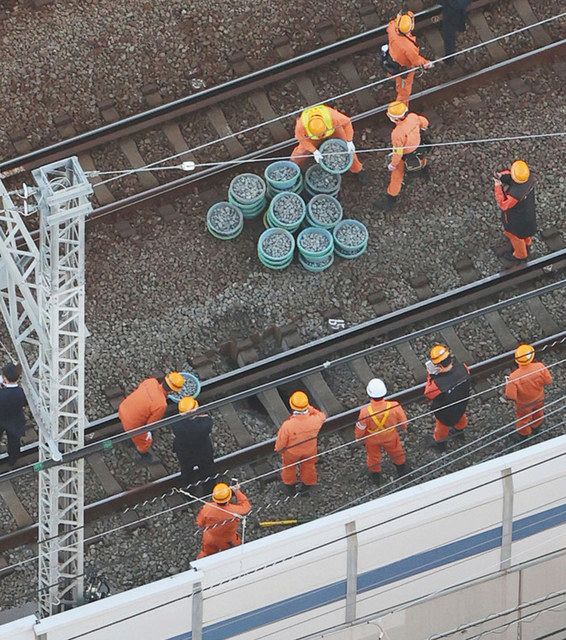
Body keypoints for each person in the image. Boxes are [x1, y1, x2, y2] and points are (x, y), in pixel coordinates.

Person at [118, 371, 185, 461]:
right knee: (146, 441)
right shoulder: (161, 404)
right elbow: (150, 425)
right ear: (173, 390)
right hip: (132, 425)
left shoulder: (151, 382)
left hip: (123, 408)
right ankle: (142, 453)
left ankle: (130, 436)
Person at [291, 104, 367, 183]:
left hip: (333, 128)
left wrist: (349, 141)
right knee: (301, 151)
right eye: (319, 136)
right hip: (312, 136)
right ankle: (292, 166)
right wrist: (314, 151)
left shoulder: (333, 117)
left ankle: (357, 169)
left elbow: (347, 123)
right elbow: (302, 140)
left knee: (348, 149)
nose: (321, 137)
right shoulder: (301, 126)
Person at [375, 101, 429, 211]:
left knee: (396, 178)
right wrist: (423, 127)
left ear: (395, 118)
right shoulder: (413, 117)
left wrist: (393, 164)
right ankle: (424, 171)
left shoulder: (397, 133)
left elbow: (398, 153)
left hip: (406, 156)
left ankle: (390, 200)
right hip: (419, 148)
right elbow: (424, 122)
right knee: (421, 160)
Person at [355, 378, 409, 485]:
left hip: (372, 439)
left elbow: (360, 428)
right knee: (397, 452)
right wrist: (404, 428)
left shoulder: (365, 411)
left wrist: (358, 438)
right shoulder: (394, 406)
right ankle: (401, 471)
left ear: (369, 394)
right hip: (390, 435)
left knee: (373, 457)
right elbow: (403, 422)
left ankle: (376, 478)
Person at [275, 391, 326, 495]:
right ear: (306, 405)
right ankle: (308, 485)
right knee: (308, 465)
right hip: (310, 450)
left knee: (289, 467)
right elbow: (322, 415)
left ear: (292, 406)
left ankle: (289, 487)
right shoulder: (316, 420)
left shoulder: (288, 425)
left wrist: (279, 450)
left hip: (292, 452)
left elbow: (281, 443)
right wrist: (309, 408)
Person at [424, 345, 471, 451]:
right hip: (461, 405)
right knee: (460, 418)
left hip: (445, 413)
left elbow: (428, 394)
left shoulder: (437, 384)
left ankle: (440, 445)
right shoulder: (464, 368)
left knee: (441, 428)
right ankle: (460, 434)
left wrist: (431, 376)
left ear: (439, 367)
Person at [504, 344, 552, 441]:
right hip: (539, 398)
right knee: (538, 412)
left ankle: (523, 434)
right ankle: (536, 427)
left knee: (523, 418)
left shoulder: (514, 377)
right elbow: (548, 381)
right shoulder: (540, 367)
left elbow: (510, 396)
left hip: (524, 404)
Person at [493, 160, 537, 264]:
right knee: (526, 233)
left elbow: (504, 204)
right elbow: (513, 178)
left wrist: (498, 185)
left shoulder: (515, 194)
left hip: (517, 220)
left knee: (515, 235)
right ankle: (527, 244)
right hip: (528, 214)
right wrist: (501, 176)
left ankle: (520, 254)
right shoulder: (529, 177)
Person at [386, 11, 432, 105]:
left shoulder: (392, 28)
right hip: (403, 68)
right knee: (404, 92)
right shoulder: (409, 47)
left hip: (391, 57)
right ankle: (401, 109)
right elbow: (416, 61)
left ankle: (392, 76)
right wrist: (426, 63)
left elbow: (392, 23)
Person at [172, 396, 215, 495]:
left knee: (186, 472)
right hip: (203, 451)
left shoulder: (175, 423)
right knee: (207, 470)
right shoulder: (205, 423)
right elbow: (208, 420)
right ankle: (209, 490)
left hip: (184, 452)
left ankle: (189, 493)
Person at [196, 482, 251, 558]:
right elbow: (246, 506)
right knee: (237, 549)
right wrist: (237, 491)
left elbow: (200, 523)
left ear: (214, 497)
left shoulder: (207, 508)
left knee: (207, 551)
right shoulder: (235, 510)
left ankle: (200, 562)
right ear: (229, 497)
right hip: (229, 538)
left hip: (210, 537)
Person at [0, 363, 27, 469]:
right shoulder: (21, 392)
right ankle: (12, 460)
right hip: (15, 421)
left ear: (5, 378)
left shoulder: (1, 394)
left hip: (1, 418)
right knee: (14, 443)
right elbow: (24, 403)